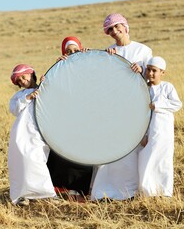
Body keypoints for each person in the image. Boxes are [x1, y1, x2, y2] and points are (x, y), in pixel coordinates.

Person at [91, 13, 153, 201]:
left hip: (136, 103)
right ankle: (108, 190)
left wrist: (141, 70)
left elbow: (151, 77)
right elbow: (103, 79)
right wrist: (107, 60)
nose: (115, 31)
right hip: (115, 104)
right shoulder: (109, 51)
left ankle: (132, 190)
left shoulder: (143, 50)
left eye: (118, 27)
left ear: (126, 27)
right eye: (111, 30)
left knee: (133, 143)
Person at [46, 36, 93, 201]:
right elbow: (50, 89)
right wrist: (58, 66)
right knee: (64, 152)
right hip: (66, 116)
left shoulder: (88, 65)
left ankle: (82, 189)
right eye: (69, 51)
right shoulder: (60, 68)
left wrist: (89, 59)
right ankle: (63, 189)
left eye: (76, 50)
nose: (72, 53)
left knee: (84, 150)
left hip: (85, 115)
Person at [8, 64, 57, 206]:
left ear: (32, 74)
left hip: (39, 131)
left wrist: (46, 84)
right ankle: (23, 195)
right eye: (19, 81)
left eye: (24, 77)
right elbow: (14, 109)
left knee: (36, 159)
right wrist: (28, 97)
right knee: (21, 162)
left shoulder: (43, 87)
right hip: (21, 133)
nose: (23, 81)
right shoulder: (19, 95)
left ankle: (45, 193)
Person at [138, 56, 182, 197]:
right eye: (148, 70)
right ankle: (147, 191)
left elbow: (177, 104)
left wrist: (157, 105)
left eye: (154, 71)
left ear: (162, 72)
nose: (150, 73)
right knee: (146, 159)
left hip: (164, 132)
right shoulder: (143, 87)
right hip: (148, 132)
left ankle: (164, 191)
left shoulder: (167, 87)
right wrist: (142, 136)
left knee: (163, 161)